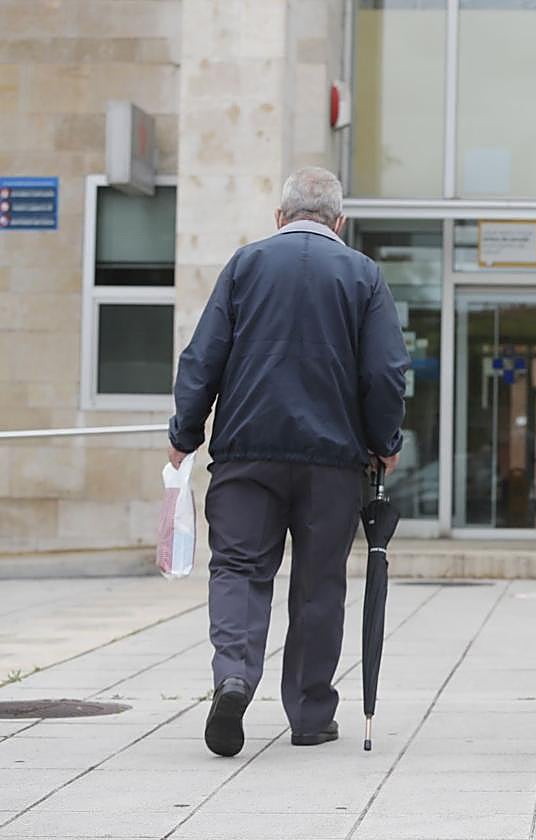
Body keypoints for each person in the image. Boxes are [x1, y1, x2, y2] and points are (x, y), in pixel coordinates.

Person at [168, 167, 410, 758]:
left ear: (279, 217)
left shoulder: (245, 265)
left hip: (247, 454)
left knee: (238, 569)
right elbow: (383, 371)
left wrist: (186, 432)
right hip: (332, 462)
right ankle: (309, 714)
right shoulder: (363, 274)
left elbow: (202, 357)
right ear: (339, 222)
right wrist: (385, 441)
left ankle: (234, 677)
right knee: (319, 584)